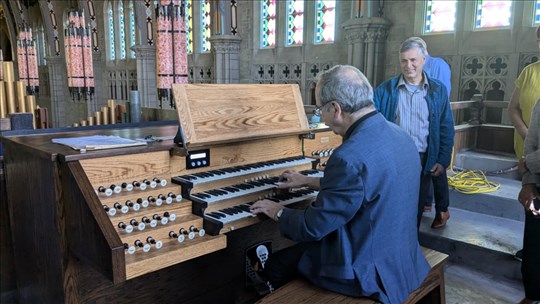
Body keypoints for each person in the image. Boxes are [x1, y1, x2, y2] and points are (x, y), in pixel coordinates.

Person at [250, 65, 430, 303]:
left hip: (365, 271)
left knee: (276, 263)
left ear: (335, 108)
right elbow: (367, 184)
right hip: (401, 257)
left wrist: (278, 211)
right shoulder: (400, 135)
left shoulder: (348, 157)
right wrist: (308, 181)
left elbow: (311, 227)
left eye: (319, 110)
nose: (320, 116)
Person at [373, 37, 455, 229]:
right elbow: (373, 123)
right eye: (403, 60)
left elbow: (446, 126)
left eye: (413, 60)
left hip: (422, 157)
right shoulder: (386, 90)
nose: (408, 65)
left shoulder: (437, 90)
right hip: (394, 157)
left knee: (415, 208)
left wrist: (442, 159)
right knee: (391, 207)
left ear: (424, 58)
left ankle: (410, 248)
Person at [508, 25, 540, 262]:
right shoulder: (529, 72)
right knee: (531, 201)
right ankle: (531, 249)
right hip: (528, 148)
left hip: (535, 155)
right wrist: (525, 131)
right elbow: (514, 108)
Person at [410, 37, 452, 213]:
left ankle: (442, 208)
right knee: (423, 170)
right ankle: (426, 202)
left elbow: (441, 94)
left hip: (434, 125)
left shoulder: (438, 65)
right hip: (417, 127)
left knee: (437, 168)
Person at [516, 100, 540, 304]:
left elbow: (528, 158)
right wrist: (528, 182)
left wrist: (527, 162)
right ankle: (532, 295)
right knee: (532, 249)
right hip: (538, 185)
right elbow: (531, 143)